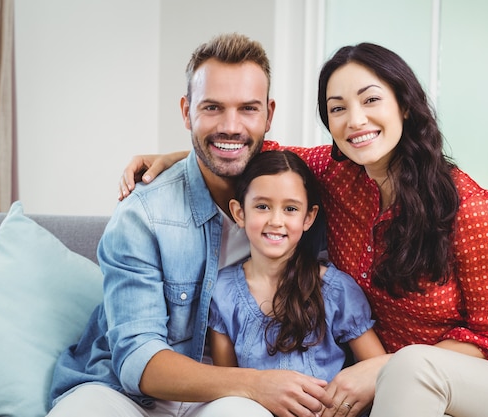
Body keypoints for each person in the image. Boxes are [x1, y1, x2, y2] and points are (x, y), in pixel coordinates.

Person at [118, 41, 488, 417]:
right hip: (398, 394)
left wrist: (379, 369)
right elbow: (252, 151)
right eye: (337, 109)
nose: (356, 121)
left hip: (486, 383)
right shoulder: (337, 176)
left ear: (403, 103)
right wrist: (176, 156)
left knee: (411, 369)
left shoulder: (469, 208)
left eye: (370, 100)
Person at [47, 33, 336, 417]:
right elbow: (137, 358)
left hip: (226, 400)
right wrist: (254, 383)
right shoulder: (143, 215)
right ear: (187, 111)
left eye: (248, 109)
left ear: (268, 113)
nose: (231, 126)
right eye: (213, 108)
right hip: (123, 391)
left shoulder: (301, 199)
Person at [208, 149, 386, 393]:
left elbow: (379, 371)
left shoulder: (336, 290)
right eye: (262, 206)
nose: (276, 221)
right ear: (240, 213)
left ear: (308, 217)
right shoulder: (222, 291)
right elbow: (227, 389)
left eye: (290, 209)